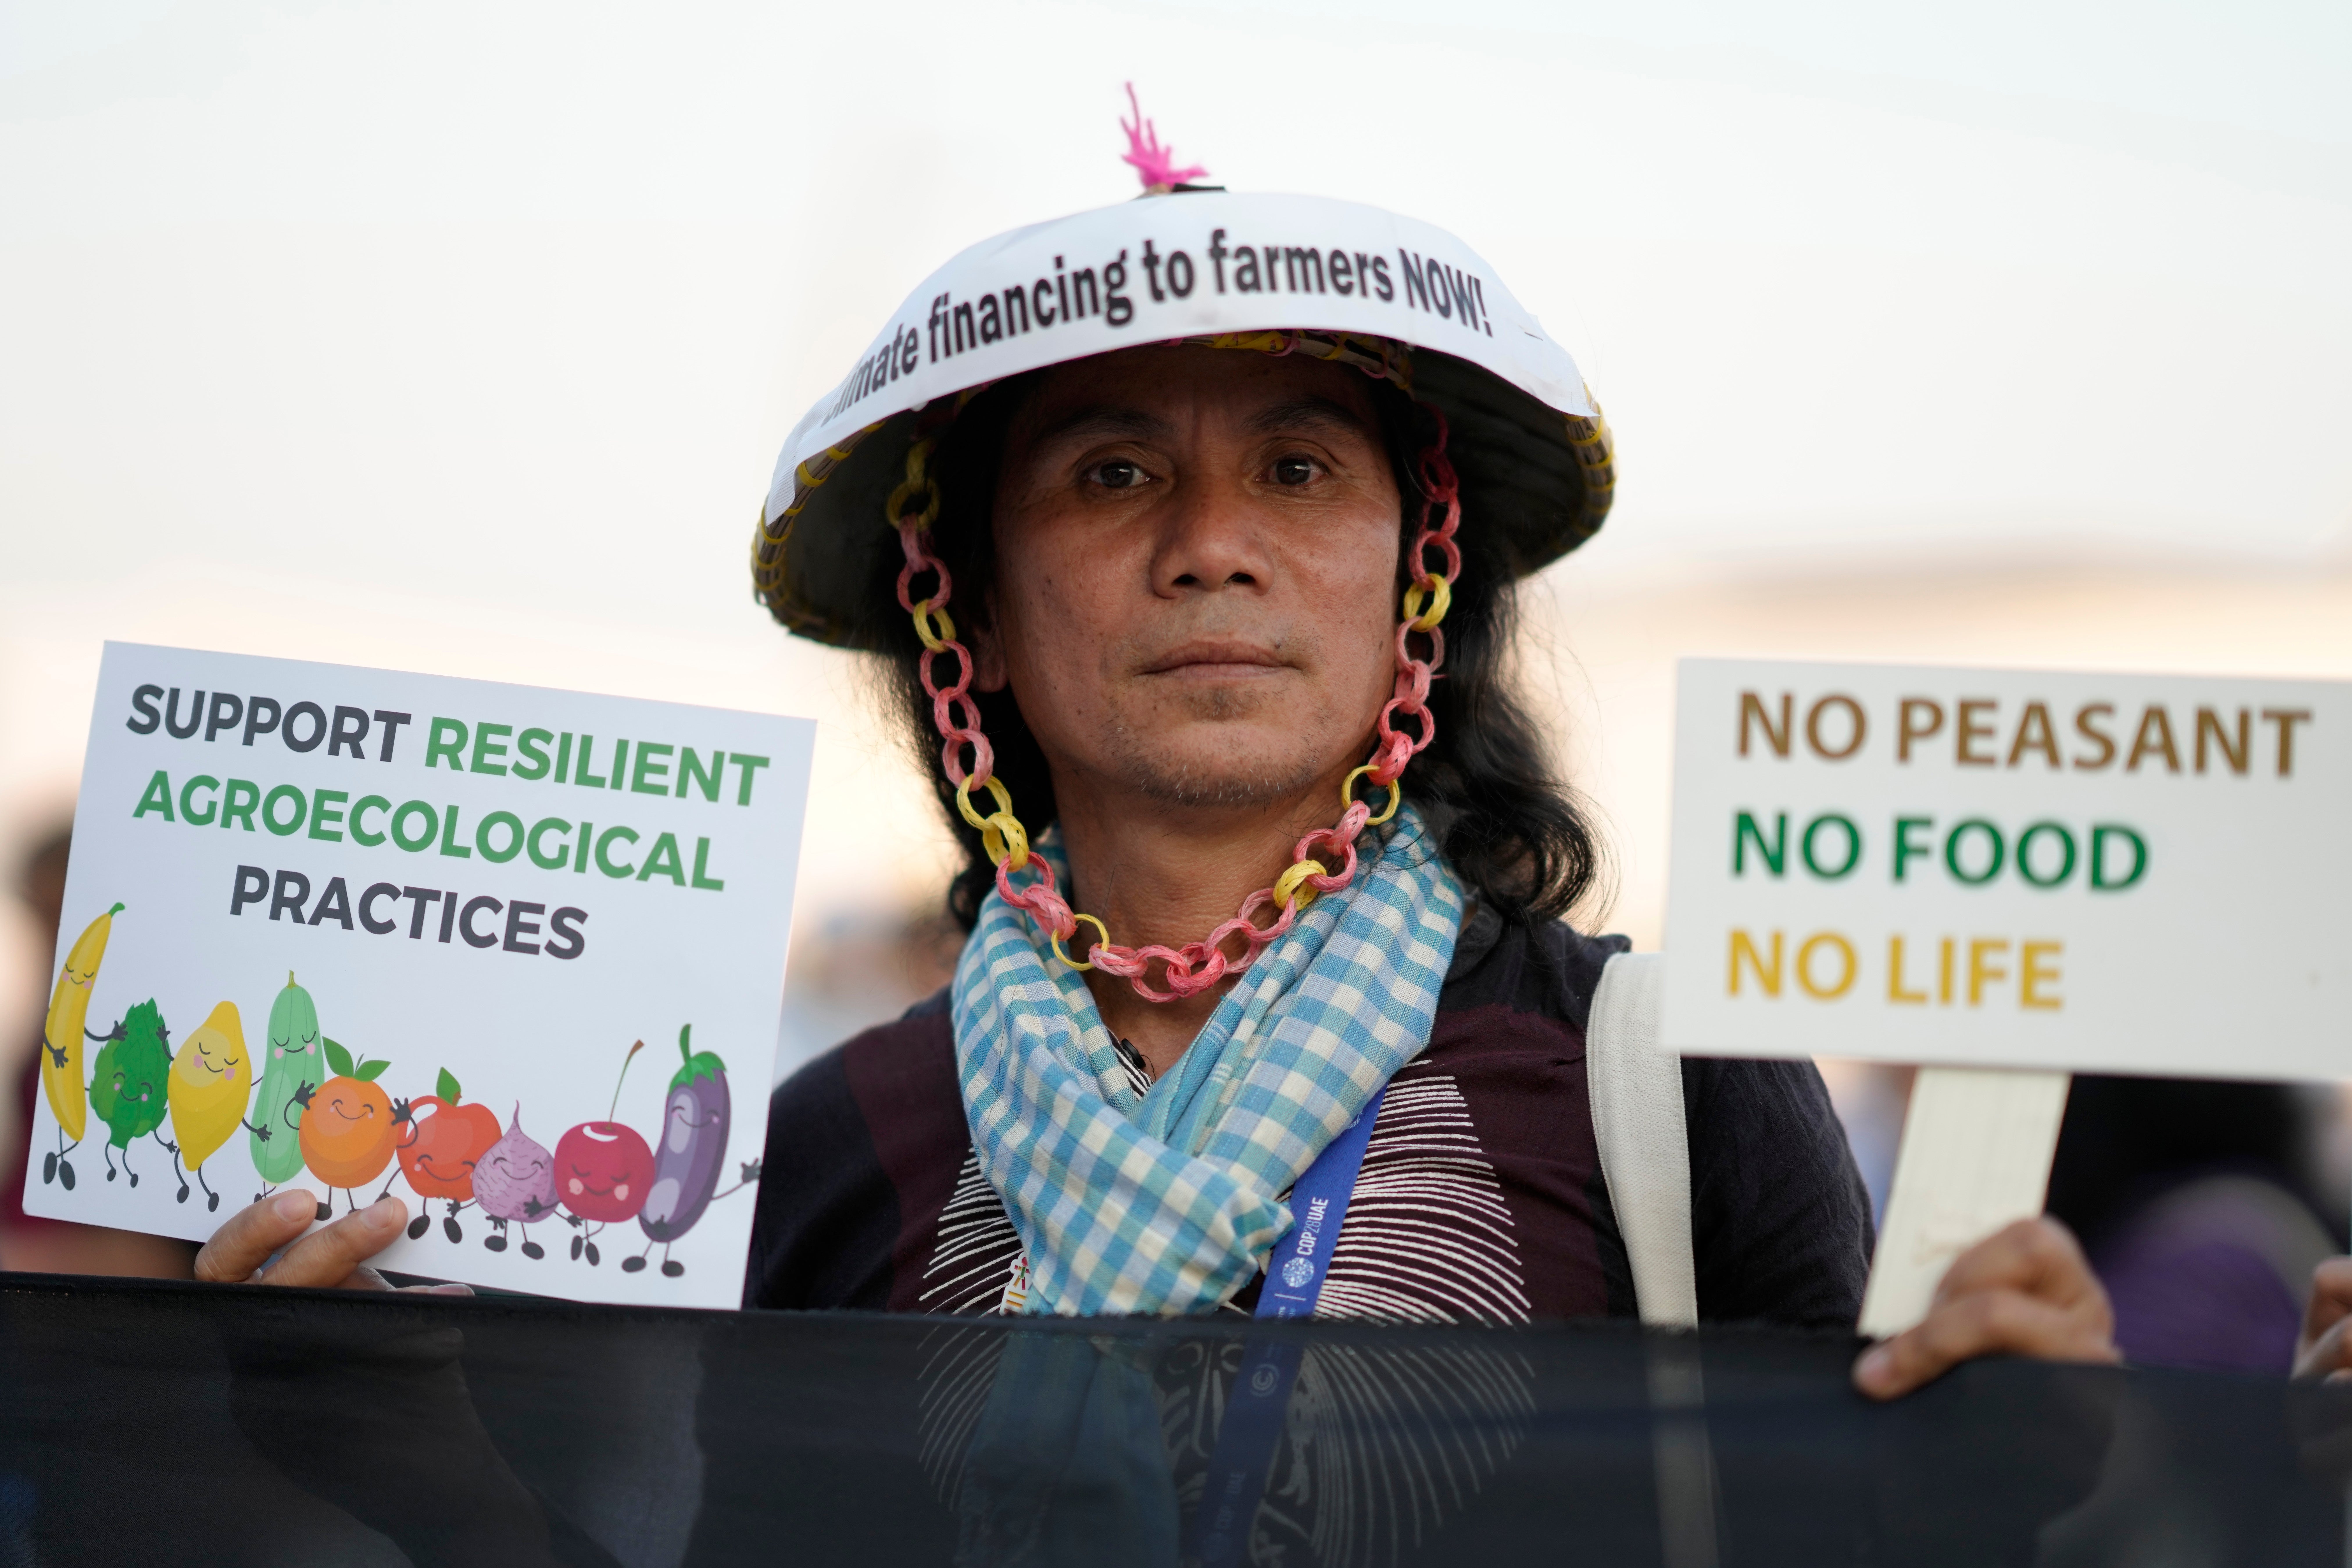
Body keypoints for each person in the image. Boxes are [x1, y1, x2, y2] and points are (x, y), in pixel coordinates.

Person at [194, 105, 2117, 1400]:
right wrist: (393, 1440)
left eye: (1300, 465)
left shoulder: (1667, 1093)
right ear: (979, 614)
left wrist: (2057, 1440)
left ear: (1411, 580)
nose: (1213, 541)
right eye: (1113, 473)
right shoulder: (824, 1149)